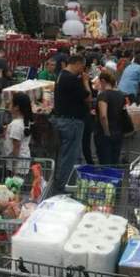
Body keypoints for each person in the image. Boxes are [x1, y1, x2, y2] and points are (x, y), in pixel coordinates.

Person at [50, 54, 89, 185]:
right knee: (70, 155)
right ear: (77, 64)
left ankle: (62, 181)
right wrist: (85, 82)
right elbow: (87, 96)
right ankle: (64, 183)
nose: (82, 70)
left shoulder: (61, 75)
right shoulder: (72, 79)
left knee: (65, 153)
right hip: (72, 122)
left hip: (63, 119)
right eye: (82, 67)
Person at [95, 70, 128, 165]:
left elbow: (103, 116)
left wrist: (106, 131)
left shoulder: (103, 95)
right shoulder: (121, 95)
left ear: (103, 81)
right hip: (118, 131)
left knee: (105, 162)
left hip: (105, 133)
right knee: (114, 161)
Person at [5, 92, 33, 166]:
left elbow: (16, 147)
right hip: (24, 161)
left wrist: (14, 167)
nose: (9, 105)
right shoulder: (25, 122)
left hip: (17, 165)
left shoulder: (15, 125)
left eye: (11, 103)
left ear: (16, 107)